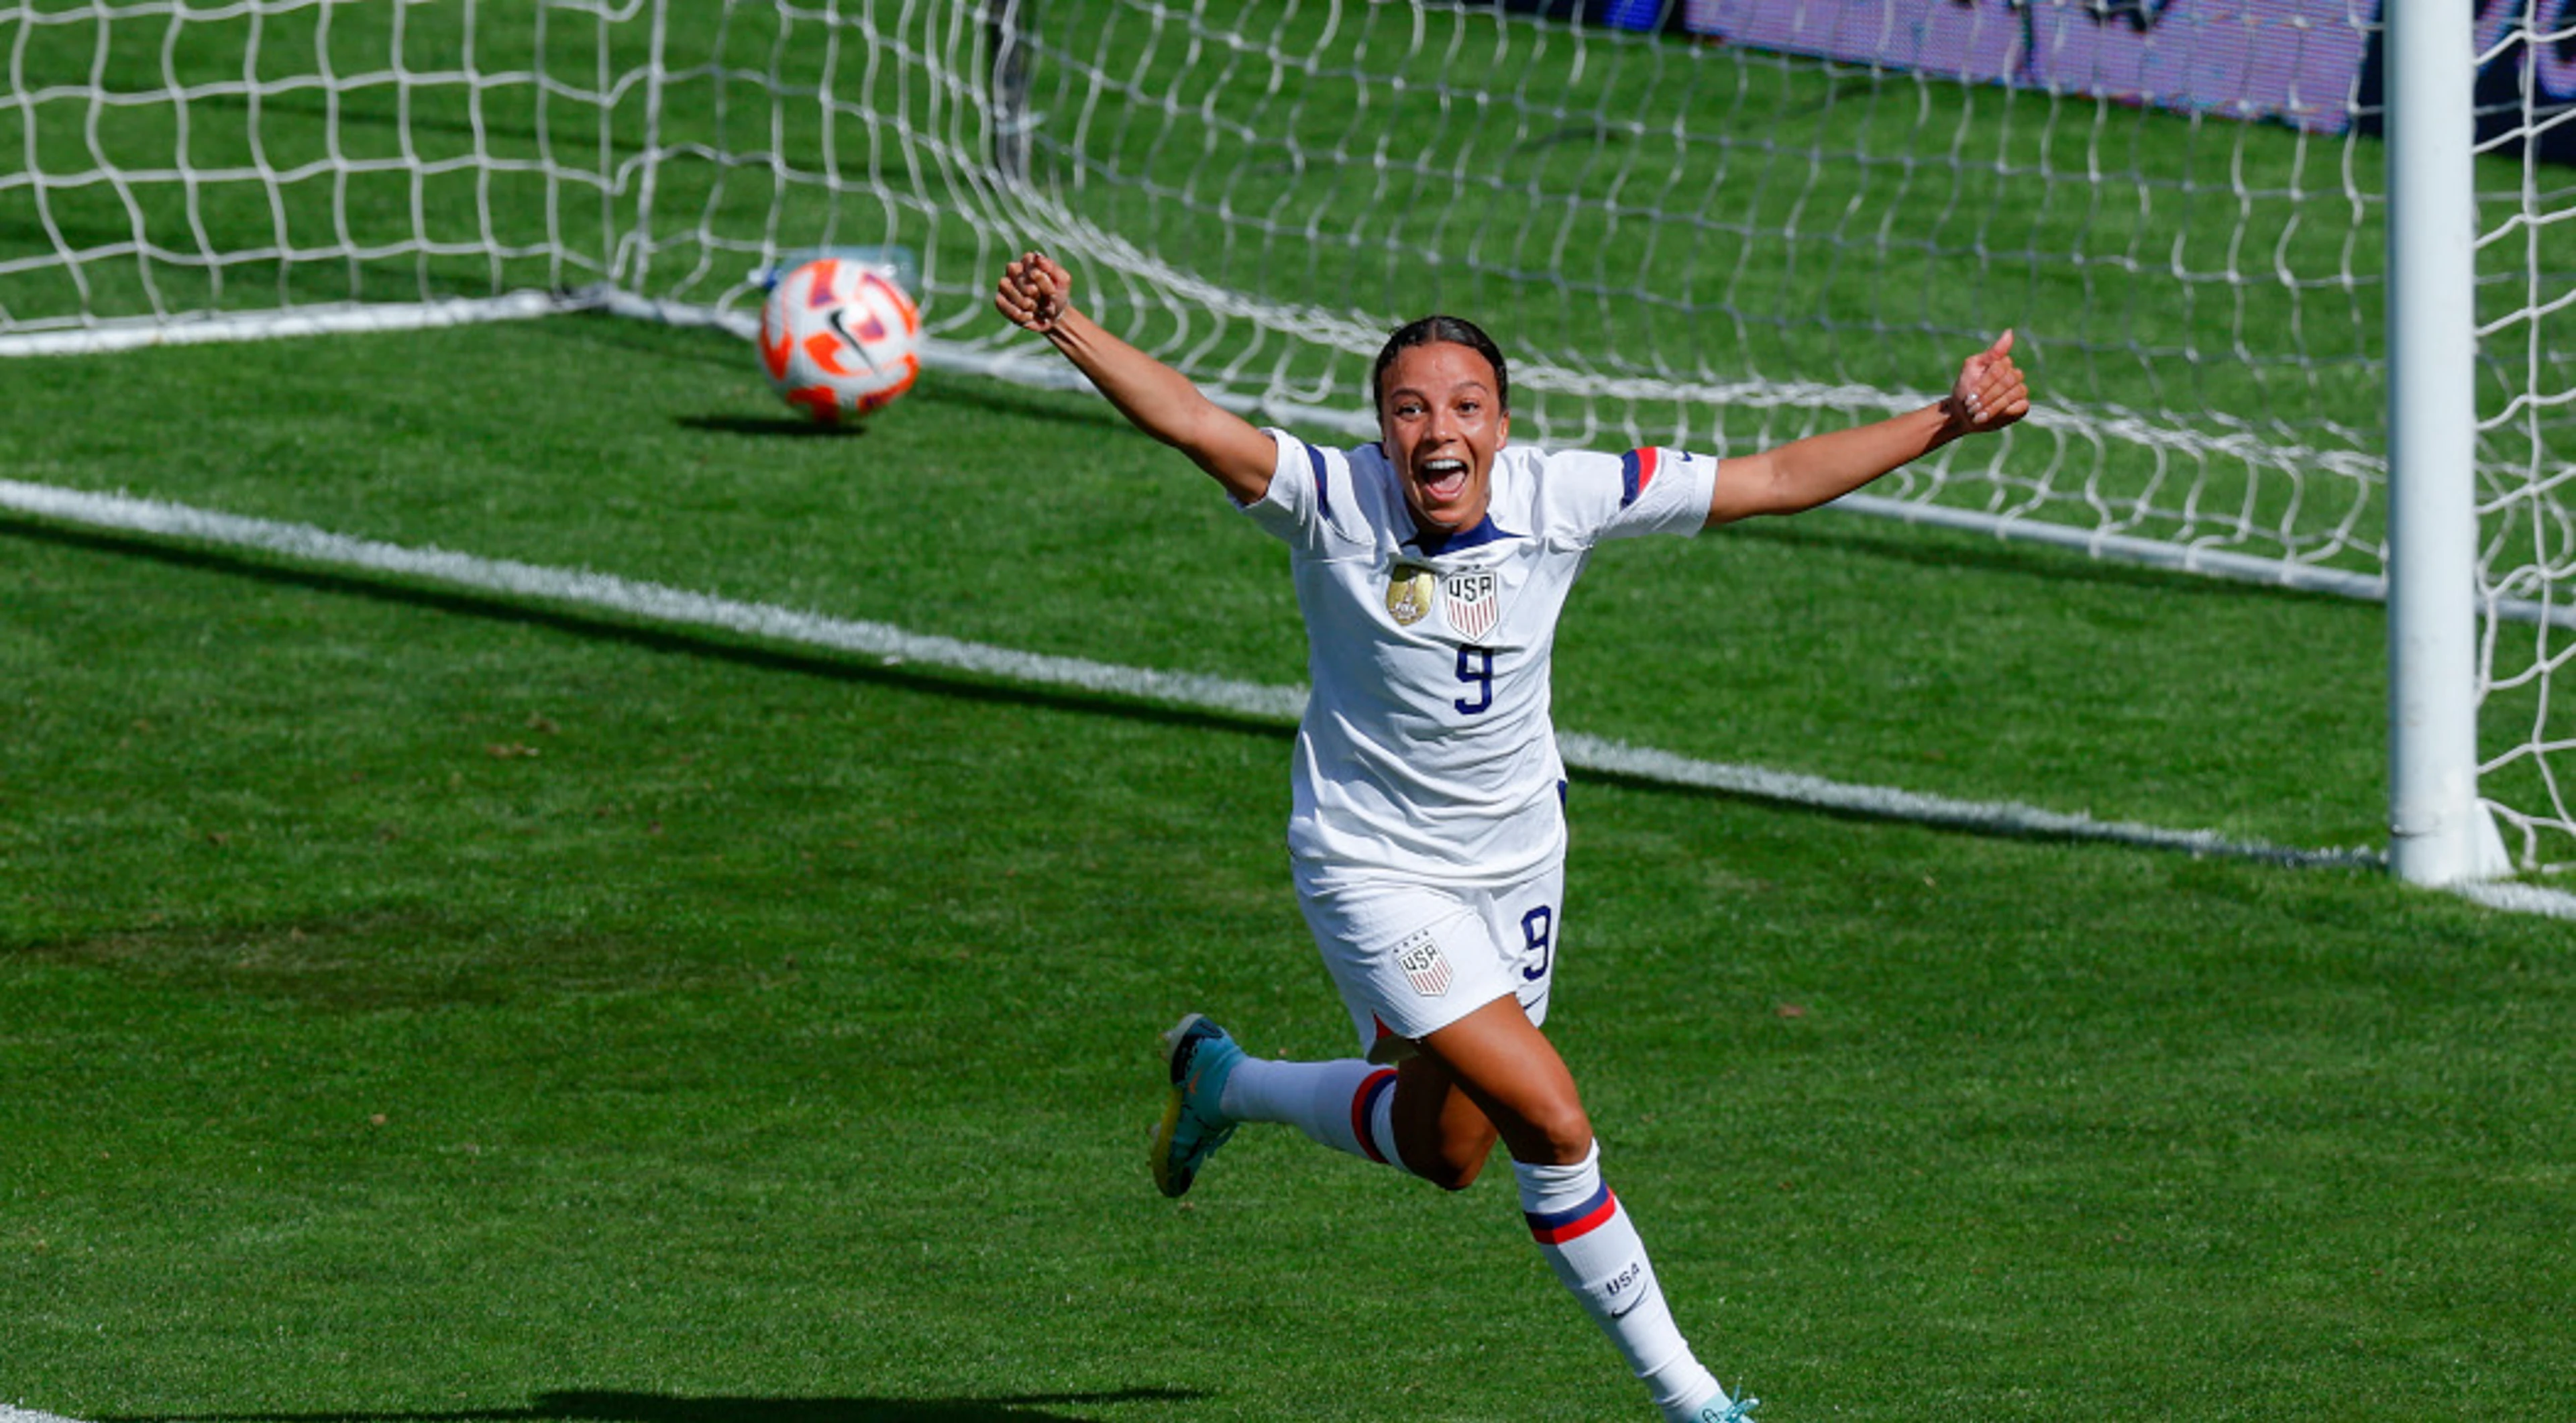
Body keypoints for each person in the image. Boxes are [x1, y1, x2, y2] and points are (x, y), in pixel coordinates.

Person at [994, 251, 2029, 1423]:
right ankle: (1698, 1404)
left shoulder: (1565, 496)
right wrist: (1067, 326)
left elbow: (1777, 476)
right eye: (1410, 408)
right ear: (1382, 431)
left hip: (1519, 863)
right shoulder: (1330, 500)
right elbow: (1191, 418)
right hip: (1373, 868)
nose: (1439, 429)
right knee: (1553, 1117)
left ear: (1501, 426)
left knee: (1448, 1152)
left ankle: (1223, 1085)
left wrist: (1948, 419)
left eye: (1465, 406)